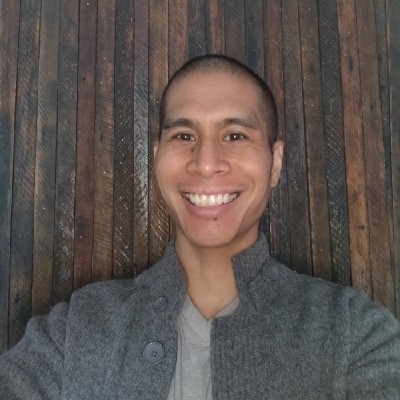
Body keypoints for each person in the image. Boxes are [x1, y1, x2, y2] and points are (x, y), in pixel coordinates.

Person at [0, 54, 399, 399]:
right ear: (157, 157)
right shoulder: (75, 330)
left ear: (275, 163)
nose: (206, 163)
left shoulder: (353, 333)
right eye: (184, 135)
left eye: (235, 135)